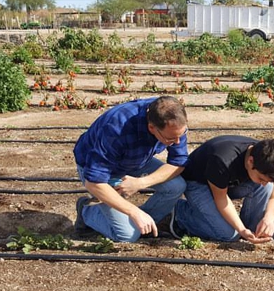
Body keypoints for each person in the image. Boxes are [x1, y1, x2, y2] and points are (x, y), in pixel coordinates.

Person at [73, 96, 188, 242]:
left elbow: (178, 162)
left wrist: (140, 183)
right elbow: (94, 181)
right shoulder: (116, 128)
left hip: (136, 160)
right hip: (101, 169)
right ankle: (86, 211)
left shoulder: (173, 119)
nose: (177, 142)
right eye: (171, 139)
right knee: (127, 235)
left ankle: (144, 225)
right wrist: (133, 211)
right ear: (152, 127)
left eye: (181, 135)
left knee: (176, 186)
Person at [171, 136, 274, 244]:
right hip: (198, 183)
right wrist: (241, 230)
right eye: (261, 178)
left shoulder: (268, 161)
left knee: (268, 187)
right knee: (228, 235)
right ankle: (181, 213)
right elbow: (221, 199)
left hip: (225, 183)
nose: (263, 183)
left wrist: (269, 218)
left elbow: (273, 197)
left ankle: (253, 229)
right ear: (250, 161)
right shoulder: (223, 160)